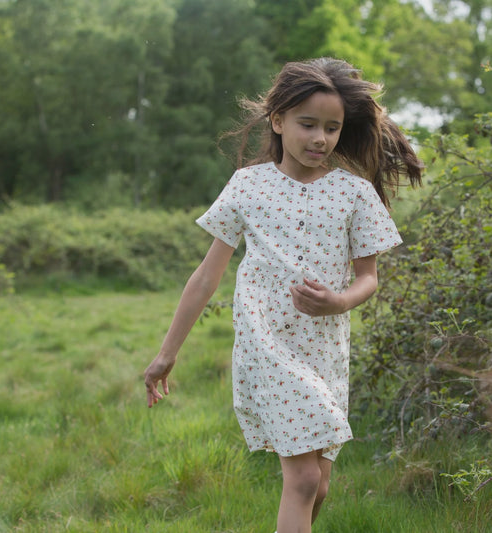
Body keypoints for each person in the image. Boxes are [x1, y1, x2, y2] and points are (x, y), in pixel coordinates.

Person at [144, 57, 422, 533]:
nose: (320, 138)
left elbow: (368, 278)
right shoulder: (248, 186)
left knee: (320, 485)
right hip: (266, 343)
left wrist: (339, 301)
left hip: (326, 351)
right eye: (307, 124)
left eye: (332, 128)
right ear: (278, 121)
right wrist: (167, 354)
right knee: (303, 479)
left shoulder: (354, 193)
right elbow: (206, 277)